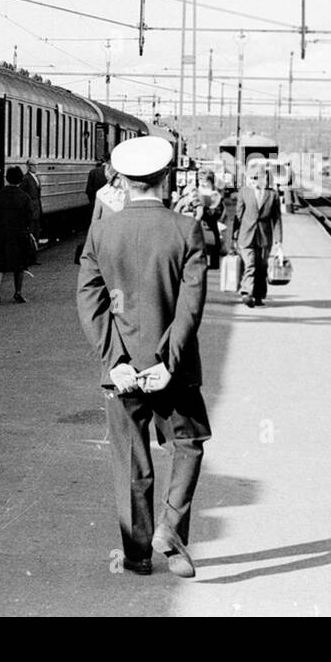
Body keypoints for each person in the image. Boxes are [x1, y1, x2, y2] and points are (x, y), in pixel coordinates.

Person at [76, 135, 211, 578]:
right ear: (165, 176)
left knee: (130, 459)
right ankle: (170, 528)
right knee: (188, 444)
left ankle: (137, 556)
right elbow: (191, 305)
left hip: (121, 373)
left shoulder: (101, 231)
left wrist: (116, 360)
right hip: (172, 370)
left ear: (124, 180)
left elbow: (89, 301)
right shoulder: (185, 229)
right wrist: (167, 362)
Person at [232, 162, 284, 308]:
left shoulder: (272, 195)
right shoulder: (244, 192)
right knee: (250, 264)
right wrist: (233, 238)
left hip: (264, 236)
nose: (253, 181)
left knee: (262, 266)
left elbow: (277, 219)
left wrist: (279, 243)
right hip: (246, 235)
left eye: (256, 178)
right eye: (251, 178)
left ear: (264, 178)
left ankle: (259, 295)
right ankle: (246, 293)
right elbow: (238, 216)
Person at [0, 166, 35, 305]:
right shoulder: (24, 197)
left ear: (7, 178)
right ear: (20, 180)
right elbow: (29, 217)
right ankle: (18, 293)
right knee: (19, 265)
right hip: (18, 234)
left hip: (0, 234)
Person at [74, 157, 111, 264]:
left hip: (95, 204)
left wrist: (92, 202)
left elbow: (88, 190)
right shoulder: (115, 175)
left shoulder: (93, 172)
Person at [20, 159, 43, 264]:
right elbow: (24, 194)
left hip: (36, 210)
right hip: (31, 210)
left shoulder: (35, 178)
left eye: (36, 165)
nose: (36, 167)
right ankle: (30, 258)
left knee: (36, 234)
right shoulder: (26, 179)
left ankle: (34, 257)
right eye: (34, 165)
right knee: (31, 234)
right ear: (29, 166)